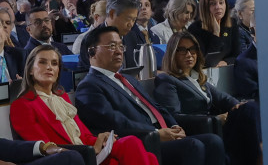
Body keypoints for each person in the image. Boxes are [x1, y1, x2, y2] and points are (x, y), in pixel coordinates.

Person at [74, 27, 225, 165]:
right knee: (194, 146)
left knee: (213, 141)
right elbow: (115, 122)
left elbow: (155, 107)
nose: (119, 51)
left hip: (162, 133)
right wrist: (155, 133)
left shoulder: (129, 79)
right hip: (143, 141)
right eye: (112, 46)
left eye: (121, 46)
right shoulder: (89, 86)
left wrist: (174, 125)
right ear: (92, 52)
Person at [11, 45, 158, 165]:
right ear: (30, 69)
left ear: (58, 71)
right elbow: (45, 148)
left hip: (89, 151)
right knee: (133, 145)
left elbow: (84, 136)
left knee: (147, 155)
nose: (49, 67)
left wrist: (101, 139)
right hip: (71, 157)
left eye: (54, 63)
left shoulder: (62, 97)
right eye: (43, 62)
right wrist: (90, 149)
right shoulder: (22, 105)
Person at [154, 32, 262, 165]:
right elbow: (173, 116)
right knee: (249, 111)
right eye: (182, 50)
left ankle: (260, 155)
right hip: (200, 127)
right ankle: (260, 157)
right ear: (172, 53)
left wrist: (238, 105)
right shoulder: (167, 80)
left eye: (193, 49)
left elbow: (224, 99)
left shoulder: (197, 77)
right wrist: (215, 119)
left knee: (249, 107)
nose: (189, 54)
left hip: (216, 125)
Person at [188, 0, 240, 67]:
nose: (218, 7)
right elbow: (205, 62)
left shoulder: (232, 23)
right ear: (204, 7)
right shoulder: (195, 29)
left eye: (221, 2)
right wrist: (216, 34)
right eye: (212, 4)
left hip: (229, 71)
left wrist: (226, 62)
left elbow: (238, 55)